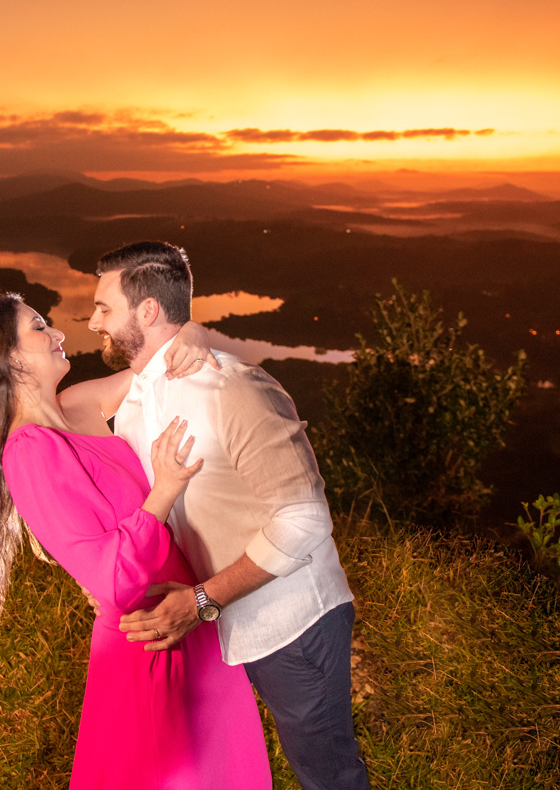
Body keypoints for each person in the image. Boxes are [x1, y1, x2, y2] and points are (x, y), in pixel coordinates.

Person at [0, 293, 273, 790]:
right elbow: (110, 580)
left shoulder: (75, 408)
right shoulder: (28, 451)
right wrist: (166, 487)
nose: (58, 334)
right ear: (7, 359)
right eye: (39, 328)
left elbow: (159, 366)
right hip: (149, 644)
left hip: (193, 625)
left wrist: (192, 332)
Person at [87, 242, 370, 790]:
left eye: (104, 307)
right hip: (225, 623)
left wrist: (200, 600)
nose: (93, 319)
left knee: (326, 773)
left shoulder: (234, 389)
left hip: (293, 621)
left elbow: (305, 520)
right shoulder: (138, 399)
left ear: (147, 311)